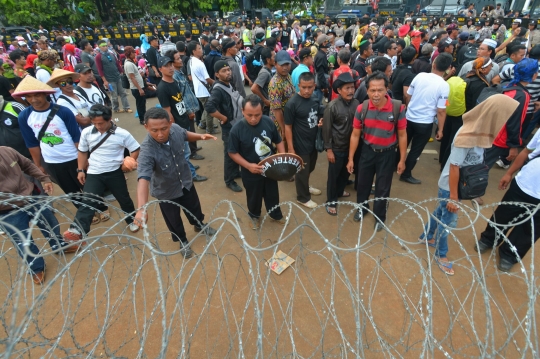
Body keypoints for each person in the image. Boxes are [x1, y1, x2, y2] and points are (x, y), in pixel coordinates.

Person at [419, 94, 519, 275]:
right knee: (447, 221)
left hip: (458, 184)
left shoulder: (481, 132)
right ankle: (441, 255)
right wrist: (454, 197)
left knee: (440, 212)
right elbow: (454, 167)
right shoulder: (467, 134)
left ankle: (426, 236)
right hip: (452, 186)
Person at [135, 107, 218, 258]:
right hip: (166, 191)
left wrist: (201, 137)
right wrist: (142, 209)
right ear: (146, 127)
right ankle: (182, 240)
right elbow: (143, 179)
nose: (160, 134)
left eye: (164, 128)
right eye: (154, 130)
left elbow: (185, 135)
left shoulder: (176, 129)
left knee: (194, 207)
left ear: (170, 123)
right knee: (173, 219)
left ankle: (199, 224)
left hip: (185, 181)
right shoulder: (147, 151)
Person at [0, 146, 78, 285]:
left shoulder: (6, 151)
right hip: (7, 209)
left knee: (50, 222)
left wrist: (44, 178)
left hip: (31, 196)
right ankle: (36, 267)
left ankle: (58, 245)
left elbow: (27, 164)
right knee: (23, 241)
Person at [62, 104, 141, 242]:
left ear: (109, 119)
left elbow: (135, 148)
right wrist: (80, 170)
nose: (98, 126)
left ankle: (131, 220)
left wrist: (130, 160)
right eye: (94, 123)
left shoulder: (122, 133)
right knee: (88, 199)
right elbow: (82, 152)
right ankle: (78, 230)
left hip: (115, 172)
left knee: (124, 199)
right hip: (94, 172)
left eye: (101, 123)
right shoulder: (86, 133)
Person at [347, 71, 407, 229]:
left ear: (387, 89)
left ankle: (380, 216)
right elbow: (355, 134)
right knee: (362, 184)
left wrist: (402, 159)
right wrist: (351, 158)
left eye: (380, 90)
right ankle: (362, 208)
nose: (376, 94)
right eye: (372, 90)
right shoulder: (362, 108)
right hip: (367, 151)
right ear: (367, 91)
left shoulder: (397, 108)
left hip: (387, 154)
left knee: (383, 187)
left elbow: (402, 135)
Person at [475, 128, 540, 272]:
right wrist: (509, 173)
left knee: (530, 229)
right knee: (503, 215)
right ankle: (488, 239)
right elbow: (526, 152)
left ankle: (510, 254)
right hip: (524, 184)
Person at [228, 94, 286, 230]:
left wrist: (282, 156)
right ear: (242, 111)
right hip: (251, 172)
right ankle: (254, 216)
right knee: (254, 195)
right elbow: (232, 152)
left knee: (272, 192)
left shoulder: (268, 122)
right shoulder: (236, 130)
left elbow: (278, 140)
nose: (253, 119)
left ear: (262, 111)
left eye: (257, 115)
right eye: (249, 115)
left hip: (271, 168)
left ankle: (275, 214)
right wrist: (248, 166)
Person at [400, 53, 452, 185]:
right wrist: (440, 129)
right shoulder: (444, 85)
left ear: (433, 64)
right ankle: (406, 174)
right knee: (415, 150)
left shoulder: (420, 76)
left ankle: (397, 166)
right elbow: (441, 110)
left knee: (402, 143)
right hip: (425, 123)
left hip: (409, 117)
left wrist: (410, 108)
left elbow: (408, 95)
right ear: (448, 68)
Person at [156, 56, 207, 182]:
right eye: (166, 66)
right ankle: (192, 175)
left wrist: (188, 113)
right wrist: (174, 129)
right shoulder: (162, 88)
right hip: (177, 125)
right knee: (182, 153)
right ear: (160, 69)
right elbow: (167, 112)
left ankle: (189, 166)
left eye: (171, 65)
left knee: (186, 152)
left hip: (183, 120)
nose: (170, 68)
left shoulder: (173, 82)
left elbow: (180, 100)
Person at [484, 58, 536, 170]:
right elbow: (514, 122)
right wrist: (513, 146)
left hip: (492, 133)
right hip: (500, 139)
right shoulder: (522, 95)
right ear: (533, 75)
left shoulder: (509, 87)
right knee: (482, 168)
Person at [284, 72, 324, 208]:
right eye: (304, 87)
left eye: (310, 87)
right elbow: (287, 127)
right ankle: (303, 197)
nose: (307, 91)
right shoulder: (292, 104)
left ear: (314, 86)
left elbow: (318, 114)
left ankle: (306, 186)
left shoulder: (315, 99)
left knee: (310, 167)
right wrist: (290, 148)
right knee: (301, 170)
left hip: (313, 142)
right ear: (298, 86)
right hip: (300, 144)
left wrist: (321, 121)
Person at [322, 72, 359, 215]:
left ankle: (339, 191)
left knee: (346, 173)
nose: (350, 91)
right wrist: (329, 150)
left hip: (351, 148)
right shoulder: (332, 106)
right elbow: (326, 129)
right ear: (339, 90)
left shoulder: (356, 104)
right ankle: (331, 200)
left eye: (352, 87)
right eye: (347, 88)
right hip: (337, 148)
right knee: (333, 176)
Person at [206, 60, 245, 192]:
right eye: (224, 71)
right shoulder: (218, 90)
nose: (228, 72)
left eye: (229, 69)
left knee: (236, 150)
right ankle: (229, 180)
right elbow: (209, 107)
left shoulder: (229, 83)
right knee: (230, 153)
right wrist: (223, 118)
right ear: (217, 74)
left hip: (237, 123)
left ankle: (234, 172)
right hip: (229, 127)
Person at [165, 49, 202, 160]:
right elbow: (180, 96)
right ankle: (192, 152)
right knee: (188, 130)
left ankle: (192, 149)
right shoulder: (175, 77)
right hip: (185, 110)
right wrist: (189, 110)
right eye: (178, 59)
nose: (181, 60)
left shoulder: (180, 73)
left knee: (191, 129)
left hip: (189, 107)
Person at [188, 41, 218, 135]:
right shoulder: (200, 63)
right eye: (199, 48)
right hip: (204, 91)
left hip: (199, 90)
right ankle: (209, 129)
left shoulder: (192, 60)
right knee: (209, 110)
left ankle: (202, 123)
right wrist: (218, 83)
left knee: (206, 108)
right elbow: (207, 79)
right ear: (194, 51)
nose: (202, 50)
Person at [95, 40, 131, 113]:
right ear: (99, 47)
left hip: (117, 77)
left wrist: (121, 71)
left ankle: (126, 107)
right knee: (114, 96)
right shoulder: (98, 57)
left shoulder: (111, 53)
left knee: (123, 93)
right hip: (109, 79)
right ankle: (116, 108)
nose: (105, 47)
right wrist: (104, 80)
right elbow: (100, 70)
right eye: (103, 46)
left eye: (106, 46)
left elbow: (117, 64)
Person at [269, 51, 295, 142]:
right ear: (275, 64)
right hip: (280, 124)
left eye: (287, 64)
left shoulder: (288, 76)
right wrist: (283, 128)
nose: (285, 68)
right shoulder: (275, 84)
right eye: (282, 65)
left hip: (289, 119)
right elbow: (277, 110)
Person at [251, 48, 275, 116]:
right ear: (268, 59)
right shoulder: (264, 73)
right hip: (266, 108)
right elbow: (254, 88)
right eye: (274, 57)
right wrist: (265, 101)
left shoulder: (268, 71)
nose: (275, 59)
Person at [314, 35, 330, 103]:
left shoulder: (322, 54)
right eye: (327, 41)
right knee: (317, 103)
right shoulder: (321, 56)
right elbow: (320, 73)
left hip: (320, 82)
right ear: (324, 43)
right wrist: (324, 87)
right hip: (320, 85)